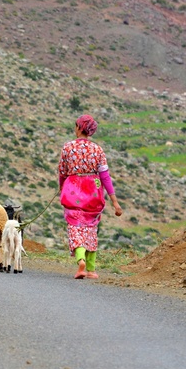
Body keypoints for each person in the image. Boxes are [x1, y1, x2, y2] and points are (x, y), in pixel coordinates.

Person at [57, 114, 122, 279]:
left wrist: (61, 188)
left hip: (73, 189)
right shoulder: (98, 150)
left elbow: (62, 172)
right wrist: (115, 202)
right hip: (93, 190)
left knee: (75, 226)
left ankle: (81, 261)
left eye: (76, 126)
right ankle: (92, 270)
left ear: (79, 127)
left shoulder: (68, 147)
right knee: (91, 227)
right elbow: (105, 177)